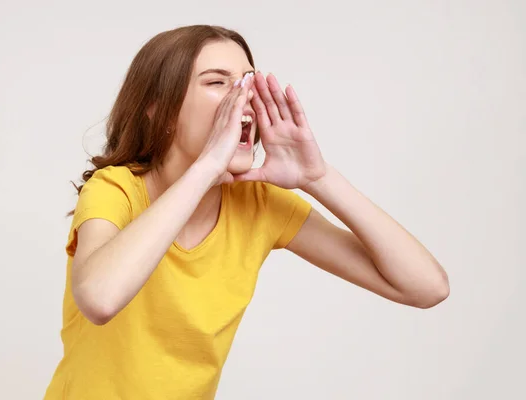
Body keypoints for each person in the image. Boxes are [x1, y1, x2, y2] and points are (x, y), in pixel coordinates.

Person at [43, 24, 450, 399]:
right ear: (158, 107)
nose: (244, 97)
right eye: (217, 82)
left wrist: (317, 176)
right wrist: (206, 167)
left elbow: (426, 287)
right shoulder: (115, 188)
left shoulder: (258, 204)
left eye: (248, 82)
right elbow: (98, 299)